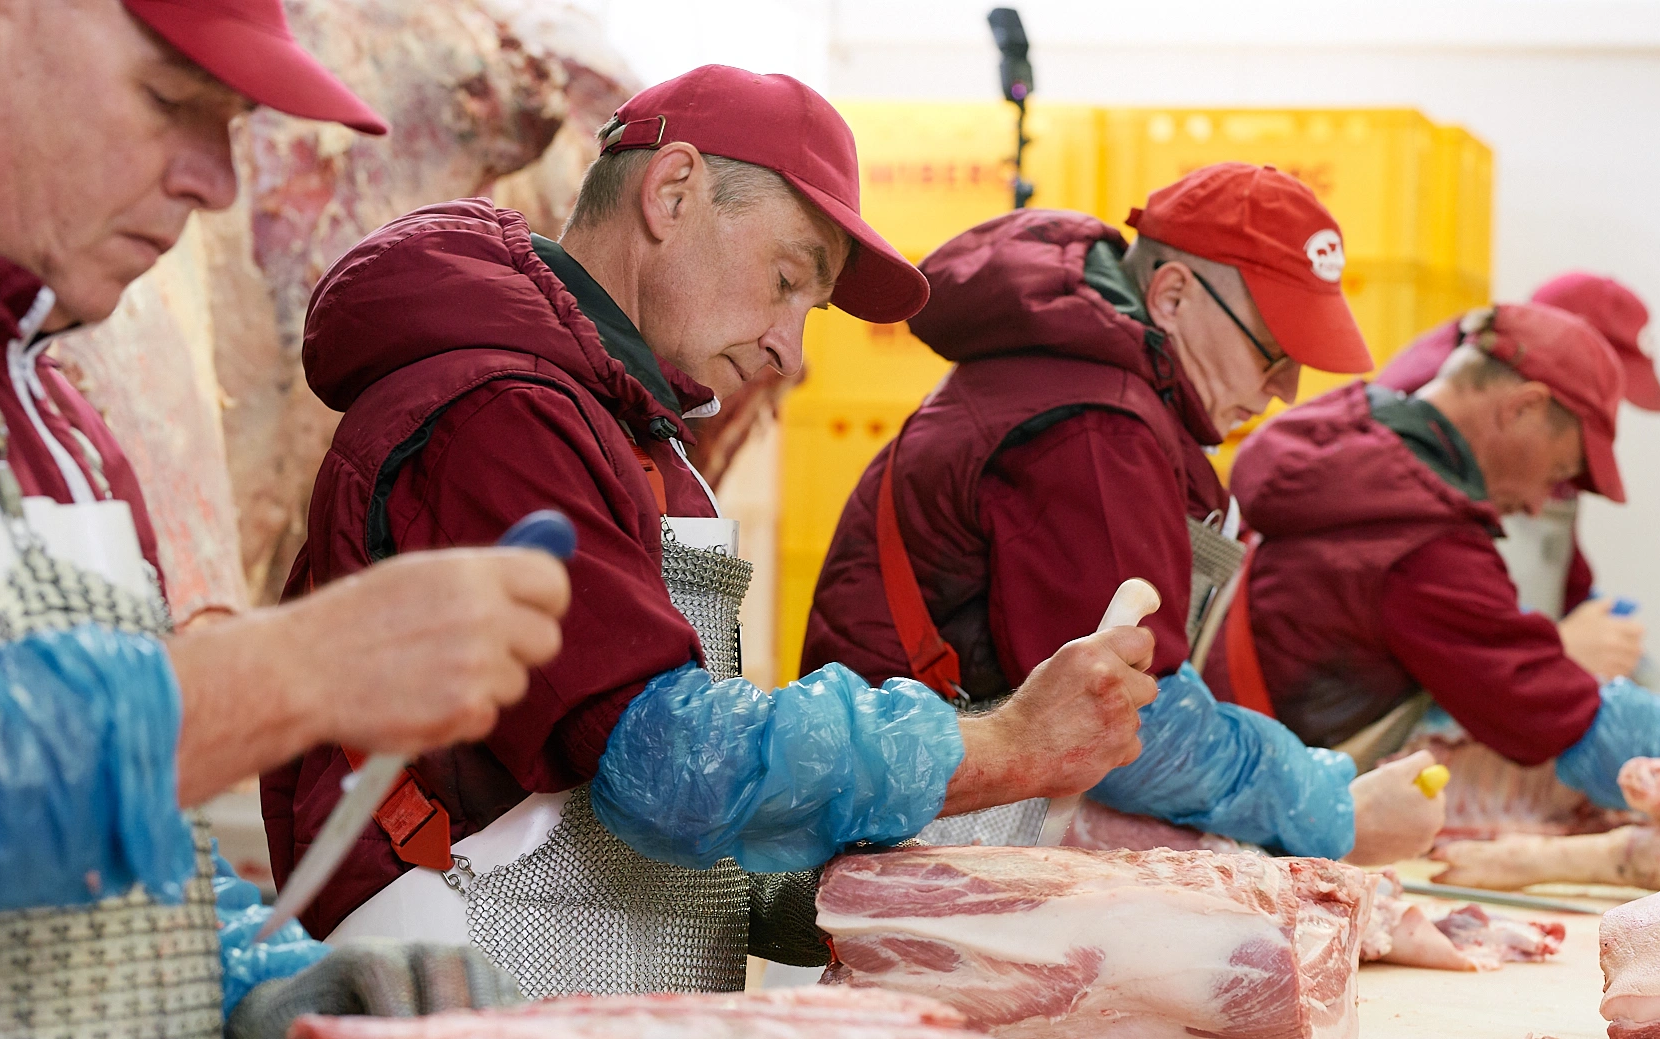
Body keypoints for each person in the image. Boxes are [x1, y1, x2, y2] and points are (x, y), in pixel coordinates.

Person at [264, 64, 1157, 991]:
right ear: (673, 190)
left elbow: (668, 840)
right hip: (457, 1001)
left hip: (600, 1022)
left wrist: (855, 877)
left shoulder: (630, 432)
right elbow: (673, 764)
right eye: (786, 280)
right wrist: (1006, 743)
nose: (788, 347)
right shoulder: (497, 413)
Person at [0, 0, 577, 1039]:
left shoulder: (53, 412)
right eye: (176, 103)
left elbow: (126, 857)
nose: (215, 186)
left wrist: (259, 979)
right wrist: (289, 670)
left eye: (230, 126)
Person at [801, 164, 1445, 865]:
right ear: (1170, 295)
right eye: (1272, 352)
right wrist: (1332, 806)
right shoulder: (1093, 430)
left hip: (925, 804)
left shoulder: (1083, 378)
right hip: (916, 834)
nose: (1286, 388)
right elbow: (1130, 728)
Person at [1204, 301, 1660, 812]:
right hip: (1256, 801)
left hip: (1237, 753)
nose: (1536, 505)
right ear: (1523, 407)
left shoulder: (1356, 430)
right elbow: (1564, 721)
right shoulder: (1422, 538)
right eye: (1555, 475)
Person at [1376, 273, 1660, 737]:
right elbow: (1453, 641)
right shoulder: (1424, 456)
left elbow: (1567, 589)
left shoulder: (1531, 444)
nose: (1538, 504)